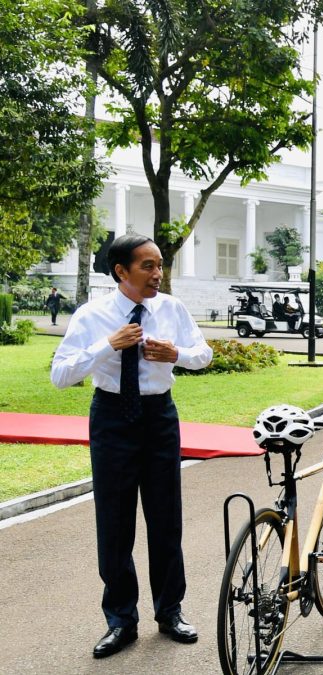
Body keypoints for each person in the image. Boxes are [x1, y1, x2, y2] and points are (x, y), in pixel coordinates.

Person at [50, 234, 212, 658]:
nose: (158, 274)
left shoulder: (172, 309)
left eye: (160, 265)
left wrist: (175, 353)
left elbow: (203, 355)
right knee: (115, 522)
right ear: (121, 271)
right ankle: (121, 621)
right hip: (111, 418)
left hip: (160, 417)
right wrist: (107, 346)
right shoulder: (92, 315)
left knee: (165, 519)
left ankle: (170, 611)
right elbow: (60, 374)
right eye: (148, 266)